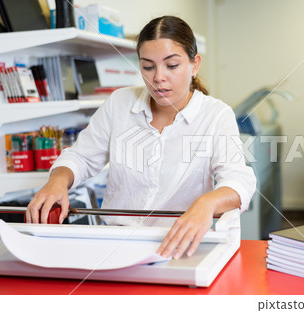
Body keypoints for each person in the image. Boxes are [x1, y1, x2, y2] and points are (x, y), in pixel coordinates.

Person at [26, 16, 256, 260]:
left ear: (194, 64)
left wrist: (206, 204)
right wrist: (58, 180)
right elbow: (81, 157)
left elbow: (238, 181)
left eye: (172, 65)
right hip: (115, 247)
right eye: (148, 66)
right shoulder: (119, 103)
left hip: (180, 248)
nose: (158, 77)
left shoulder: (216, 115)